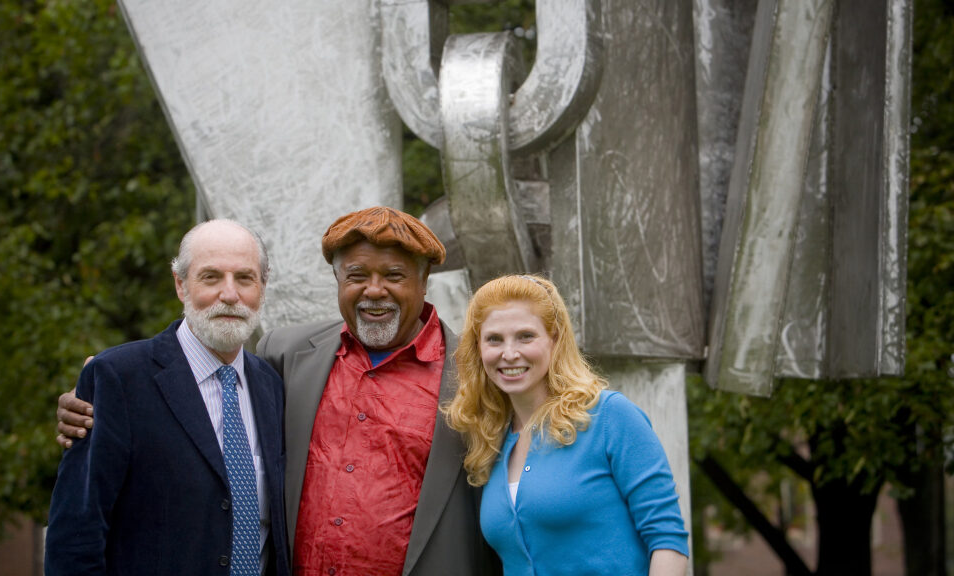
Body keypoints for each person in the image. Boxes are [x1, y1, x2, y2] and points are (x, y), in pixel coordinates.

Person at [56, 207, 498, 576]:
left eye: (395, 275)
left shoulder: (478, 374)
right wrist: (95, 394)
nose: (374, 290)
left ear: (424, 284)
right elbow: (79, 526)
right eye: (357, 274)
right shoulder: (288, 358)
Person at [45, 219, 290, 576]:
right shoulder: (119, 378)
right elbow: (76, 535)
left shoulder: (271, 385)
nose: (229, 294)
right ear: (180, 284)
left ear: (263, 287)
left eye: (244, 278)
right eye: (211, 277)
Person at [444, 274, 690, 576]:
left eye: (525, 336)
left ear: (555, 339)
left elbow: (668, 542)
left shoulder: (609, 417)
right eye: (494, 339)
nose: (509, 353)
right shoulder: (489, 438)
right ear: (478, 348)